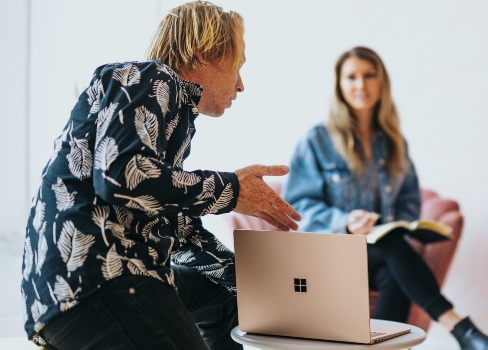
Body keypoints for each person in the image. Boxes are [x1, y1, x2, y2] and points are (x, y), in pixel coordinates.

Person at [20, 2, 301, 349]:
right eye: (237, 66)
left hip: (74, 287)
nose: (240, 85)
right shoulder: (151, 78)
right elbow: (121, 176)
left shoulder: (164, 112)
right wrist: (231, 190)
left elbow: (179, 230)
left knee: (232, 298)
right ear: (203, 53)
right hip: (97, 275)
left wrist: (256, 283)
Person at [282, 46, 488, 350]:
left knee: (393, 260)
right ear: (339, 85)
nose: (361, 84)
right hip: (332, 256)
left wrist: (397, 224)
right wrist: (346, 222)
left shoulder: (394, 143)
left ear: (381, 82)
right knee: (392, 248)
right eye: (351, 77)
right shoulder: (317, 141)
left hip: (377, 257)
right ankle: (460, 329)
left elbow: (408, 202)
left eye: (369, 75)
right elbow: (297, 207)